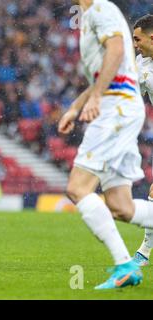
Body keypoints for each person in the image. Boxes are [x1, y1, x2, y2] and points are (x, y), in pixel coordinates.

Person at [58, 0, 153, 289]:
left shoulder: (101, 10)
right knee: (120, 206)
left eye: (140, 39)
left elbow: (116, 50)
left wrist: (98, 97)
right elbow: (108, 72)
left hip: (116, 110)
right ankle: (127, 267)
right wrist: (75, 107)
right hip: (120, 108)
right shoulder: (90, 17)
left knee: (77, 188)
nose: (135, 44)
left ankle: (125, 264)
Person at [132, 14, 153, 266]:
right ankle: (144, 252)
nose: (135, 44)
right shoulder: (141, 65)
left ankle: (144, 253)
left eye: (138, 39)